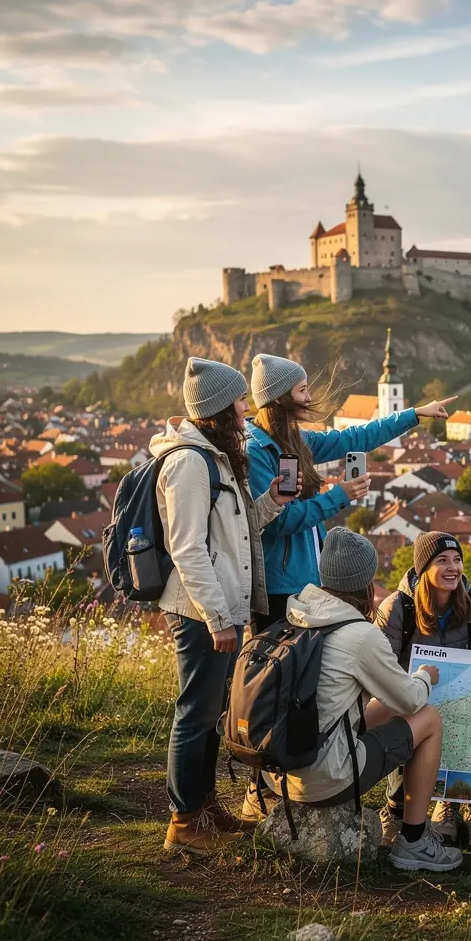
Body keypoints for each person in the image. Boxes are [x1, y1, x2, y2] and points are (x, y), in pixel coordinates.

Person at [244, 528, 463, 873]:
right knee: (429, 718)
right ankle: (414, 841)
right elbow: (409, 700)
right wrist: (424, 676)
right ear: (365, 582)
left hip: (281, 769)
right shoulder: (359, 635)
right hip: (327, 778)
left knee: (387, 703)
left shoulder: (295, 617)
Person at [155, 357, 298, 855]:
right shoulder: (189, 463)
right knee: (195, 711)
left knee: (213, 711)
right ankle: (182, 820)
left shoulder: (217, 456)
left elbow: (239, 530)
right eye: (239, 399)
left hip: (220, 606)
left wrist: (273, 499)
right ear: (219, 408)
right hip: (199, 610)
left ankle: (205, 804)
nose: (247, 407)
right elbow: (187, 548)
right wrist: (218, 617)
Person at [245, 353, 455, 633]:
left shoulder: (297, 440)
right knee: (278, 668)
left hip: (309, 579)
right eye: (302, 390)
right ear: (280, 398)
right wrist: (338, 496)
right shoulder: (255, 452)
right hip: (278, 586)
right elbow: (281, 521)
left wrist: (415, 415)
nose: (309, 398)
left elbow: (353, 438)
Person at [378, 531, 471, 848]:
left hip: (465, 699)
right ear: (423, 568)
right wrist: (417, 685)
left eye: (457, 560)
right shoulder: (398, 608)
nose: (453, 568)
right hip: (411, 698)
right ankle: (397, 810)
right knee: (406, 722)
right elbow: (380, 670)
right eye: (442, 560)